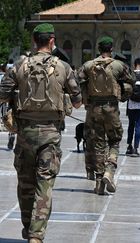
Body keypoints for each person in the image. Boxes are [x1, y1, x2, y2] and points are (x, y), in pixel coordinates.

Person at [0, 23, 82, 243]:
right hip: (50, 135)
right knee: (44, 183)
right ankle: (36, 235)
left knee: (25, 183)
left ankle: (28, 228)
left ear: (34, 41)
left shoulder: (19, 66)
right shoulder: (64, 67)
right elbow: (77, 103)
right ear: (52, 41)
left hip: (24, 134)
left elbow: (1, 95)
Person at [78, 36, 134, 195]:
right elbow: (131, 81)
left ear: (99, 49)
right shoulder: (118, 65)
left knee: (98, 144)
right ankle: (109, 171)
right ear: (111, 49)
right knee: (115, 140)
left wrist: (85, 97)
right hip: (111, 108)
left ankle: (98, 183)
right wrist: (123, 95)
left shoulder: (88, 66)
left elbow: (77, 81)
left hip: (93, 109)